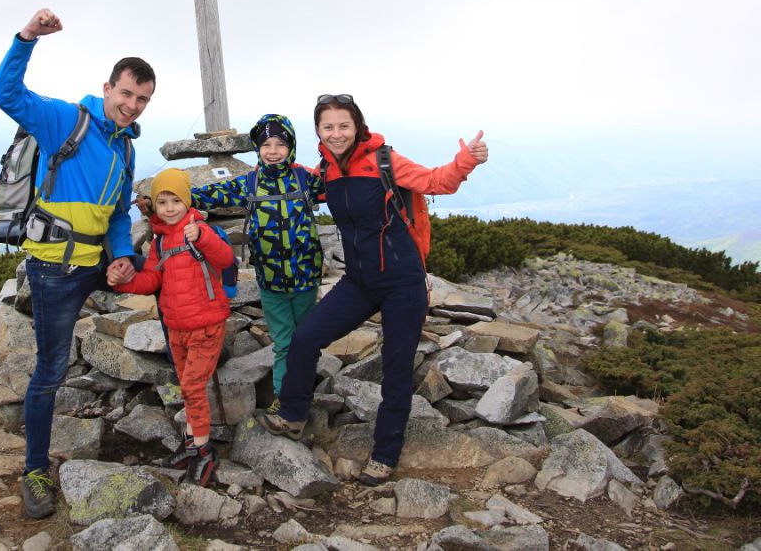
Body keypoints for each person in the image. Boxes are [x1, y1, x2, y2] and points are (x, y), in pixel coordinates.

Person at [259, 94, 488, 486]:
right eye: (328, 127)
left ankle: (385, 454)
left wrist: (467, 160)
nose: (336, 133)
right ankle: (293, 416)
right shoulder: (327, 170)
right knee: (305, 337)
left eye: (343, 126)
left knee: (395, 367)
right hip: (359, 282)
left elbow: (437, 181)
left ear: (357, 126)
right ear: (318, 131)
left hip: (402, 282)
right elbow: (291, 182)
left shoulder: (384, 160)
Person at [0, 7, 155, 518]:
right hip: (54, 270)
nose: (131, 106)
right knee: (51, 370)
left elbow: (119, 214)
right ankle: (35, 470)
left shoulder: (125, 148)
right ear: (107, 88)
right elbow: (4, 94)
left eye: (142, 100)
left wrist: (122, 256)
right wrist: (27, 37)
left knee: (167, 282)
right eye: (126, 94)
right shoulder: (66, 119)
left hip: (96, 264)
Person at [107, 168, 235, 487]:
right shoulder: (160, 241)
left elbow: (225, 259)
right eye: (162, 202)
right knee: (187, 386)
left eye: (175, 200)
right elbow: (152, 280)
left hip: (206, 324)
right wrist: (124, 283)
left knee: (191, 387)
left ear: (186, 201)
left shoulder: (200, 230)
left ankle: (203, 453)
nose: (169, 208)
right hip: (176, 327)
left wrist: (202, 237)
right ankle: (193, 445)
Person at [189, 114, 324, 408]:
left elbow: (340, 186)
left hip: (306, 278)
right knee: (284, 342)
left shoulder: (305, 179)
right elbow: (211, 195)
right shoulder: (250, 183)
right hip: (271, 282)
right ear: (257, 148)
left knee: (307, 340)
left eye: (280, 144)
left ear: (291, 147)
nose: (273, 151)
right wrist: (170, 197)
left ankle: (304, 391)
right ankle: (285, 399)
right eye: (266, 145)